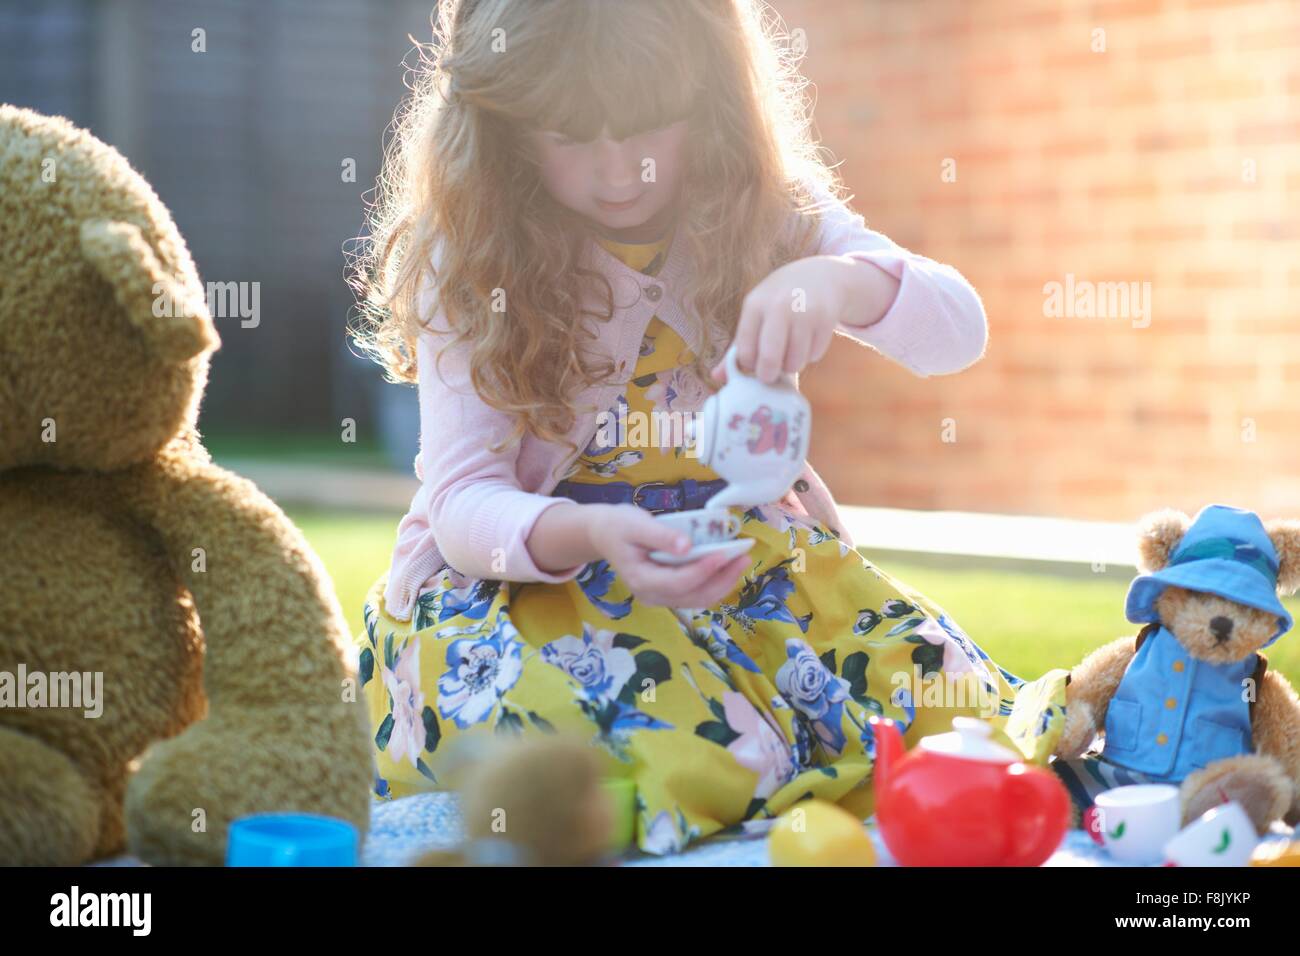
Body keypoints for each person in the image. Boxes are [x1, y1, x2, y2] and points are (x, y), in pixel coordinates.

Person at [348, 0, 1066, 855]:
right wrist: (588, 531)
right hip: (537, 585)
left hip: (748, 568)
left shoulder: (762, 208)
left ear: (711, 97)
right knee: (584, 732)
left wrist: (838, 284)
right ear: (503, 130)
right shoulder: (467, 255)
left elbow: (960, 330)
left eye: (650, 126)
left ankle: (748, 767)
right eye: (571, 136)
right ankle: (717, 773)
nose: (620, 171)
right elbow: (464, 503)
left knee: (948, 706)